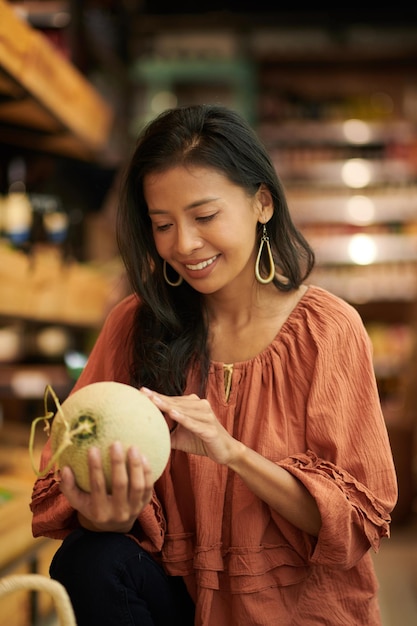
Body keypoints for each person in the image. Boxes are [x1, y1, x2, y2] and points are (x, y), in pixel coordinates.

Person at [30, 103, 398, 626]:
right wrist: (105, 515)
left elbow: (354, 521)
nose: (184, 244)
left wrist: (230, 451)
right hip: (177, 601)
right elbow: (64, 463)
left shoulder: (328, 329)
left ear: (262, 203)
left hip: (295, 609)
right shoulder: (136, 322)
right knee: (90, 559)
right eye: (162, 224)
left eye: (205, 216)